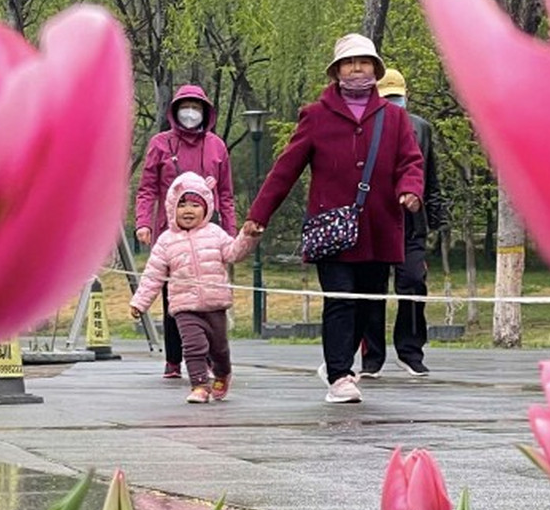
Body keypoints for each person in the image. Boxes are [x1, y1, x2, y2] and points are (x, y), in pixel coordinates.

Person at [242, 34, 423, 405]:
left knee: (369, 303)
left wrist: (410, 189)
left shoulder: (395, 117)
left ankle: (339, 362)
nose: (357, 69)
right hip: (333, 230)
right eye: (349, 63)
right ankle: (340, 373)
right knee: (340, 300)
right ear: (337, 70)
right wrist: (258, 215)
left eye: (364, 62)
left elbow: (410, 160)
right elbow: (285, 169)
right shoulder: (316, 116)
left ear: (375, 68)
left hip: (380, 228)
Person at [135, 84, 235, 379]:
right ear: (175, 111)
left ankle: (207, 354)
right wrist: (143, 222)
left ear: (205, 111)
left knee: (208, 294)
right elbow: (147, 189)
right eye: (184, 107)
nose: (190, 113)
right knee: (174, 297)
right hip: (171, 232)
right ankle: (174, 358)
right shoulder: (159, 144)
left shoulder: (217, 146)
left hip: (208, 232)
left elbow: (226, 194)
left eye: (196, 107)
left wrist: (230, 230)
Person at [131, 172, 256, 403]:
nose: (188, 210)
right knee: (193, 346)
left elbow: (233, 253)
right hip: (184, 306)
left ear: (207, 207)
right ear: (171, 208)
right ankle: (199, 385)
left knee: (219, 349)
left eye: (195, 205)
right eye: (182, 205)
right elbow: (152, 275)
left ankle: (222, 372)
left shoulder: (215, 233)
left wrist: (247, 237)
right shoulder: (166, 241)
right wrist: (140, 302)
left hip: (215, 304)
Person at [359, 67, 447, 377]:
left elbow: (430, 176)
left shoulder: (421, 128)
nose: (393, 103)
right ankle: (372, 356)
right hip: (375, 220)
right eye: (387, 98)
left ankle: (410, 351)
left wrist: (434, 219)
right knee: (372, 288)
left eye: (397, 97)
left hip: (411, 221)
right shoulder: (365, 127)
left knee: (413, 282)